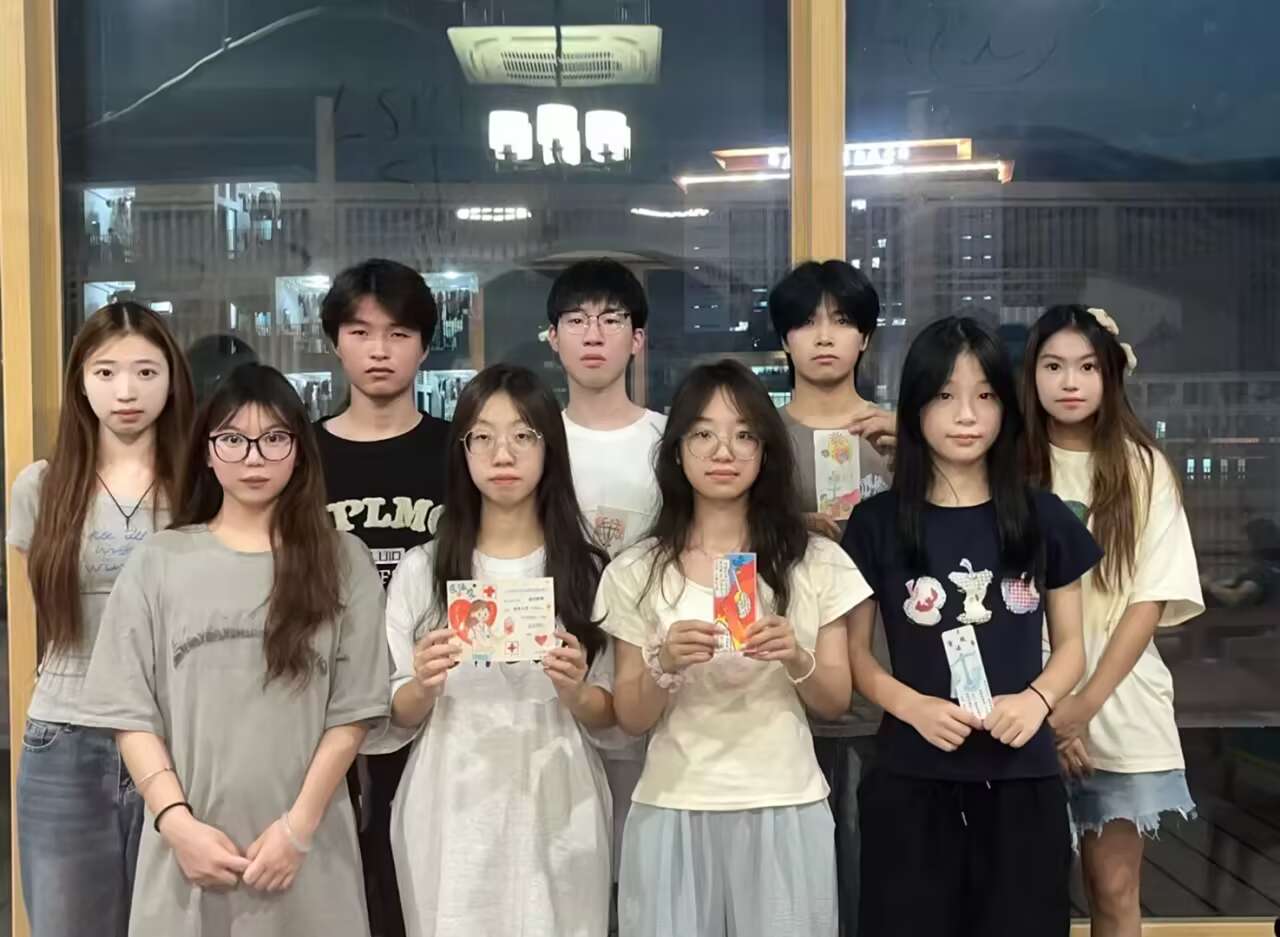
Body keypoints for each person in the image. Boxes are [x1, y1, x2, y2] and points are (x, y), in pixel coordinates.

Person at [80, 363, 389, 936]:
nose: (253, 458)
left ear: (299, 451)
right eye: (233, 439)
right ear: (207, 450)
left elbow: (352, 714)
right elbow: (129, 714)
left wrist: (297, 830)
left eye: (273, 439)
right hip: (187, 857)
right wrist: (176, 824)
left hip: (309, 852)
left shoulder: (343, 559)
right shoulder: (159, 561)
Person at [842, 317, 1100, 937]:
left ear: (1006, 408)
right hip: (911, 776)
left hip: (1022, 778)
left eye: (984, 396)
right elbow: (856, 657)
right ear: (915, 407)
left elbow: (1072, 648)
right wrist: (914, 707)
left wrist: (1037, 701)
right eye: (944, 395)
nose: (966, 416)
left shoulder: (1042, 517)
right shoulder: (876, 523)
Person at [598, 359, 868, 937]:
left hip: (785, 798)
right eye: (703, 434)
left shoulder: (815, 561)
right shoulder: (635, 571)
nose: (724, 451)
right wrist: (664, 664)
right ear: (676, 451)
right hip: (674, 801)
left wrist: (795, 656)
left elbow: (835, 701)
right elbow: (630, 717)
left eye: (744, 434)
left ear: (766, 451)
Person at [375, 364, 614, 937]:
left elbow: (613, 715)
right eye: (482, 436)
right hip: (450, 801)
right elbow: (391, 714)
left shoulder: (587, 571)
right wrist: (423, 684)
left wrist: (576, 691)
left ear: (549, 447)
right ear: (462, 450)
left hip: (560, 799)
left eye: (523, 435)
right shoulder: (422, 569)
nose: (502, 454)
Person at [8, 302, 195, 937]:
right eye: (106, 372)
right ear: (81, 383)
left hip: (178, 735)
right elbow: (47, 612)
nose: (126, 392)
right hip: (65, 737)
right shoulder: (42, 487)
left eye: (146, 372)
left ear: (172, 380)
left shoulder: (202, 486)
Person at [1022, 305, 1203, 937]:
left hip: (1120, 700)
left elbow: (1151, 598)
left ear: (1110, 375)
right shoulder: (1008, 465)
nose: (1070, 382)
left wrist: (1084, 705)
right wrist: (1053, 708)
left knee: (1116, 890)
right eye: (1053, 366)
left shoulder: (1142, 466)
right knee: (1020, 893)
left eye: (1086, 367)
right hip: (1020, 703)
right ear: (1031, 375)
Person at [315, 258, 451, 937]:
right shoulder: (299, 457)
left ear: (424, 346)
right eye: (360, 332)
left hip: (436, 701)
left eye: (398, 334)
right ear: (334, 341)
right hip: (322, 701)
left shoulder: (459, 453)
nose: (378, 350)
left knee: (419, 891)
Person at [766, 260, 895, 935]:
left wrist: (914, 465)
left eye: (842, 321)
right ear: (783, 338)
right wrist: (789, 529)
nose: (824, 336)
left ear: (865, 337)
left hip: (892, 682)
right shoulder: (757, 441)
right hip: (786, 689)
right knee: (798, 892)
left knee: (885, 878)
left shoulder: (899, 437)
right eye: (807, 321)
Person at [545, 257, 664, 892]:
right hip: (553, 680)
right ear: (553, 337)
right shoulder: (532, 442)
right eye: (576, 320)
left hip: (650, 681)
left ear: (637, 339)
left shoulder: (670, 442)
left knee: (643, 875)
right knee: (565, 877)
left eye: (611, 320)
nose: (593, 335)